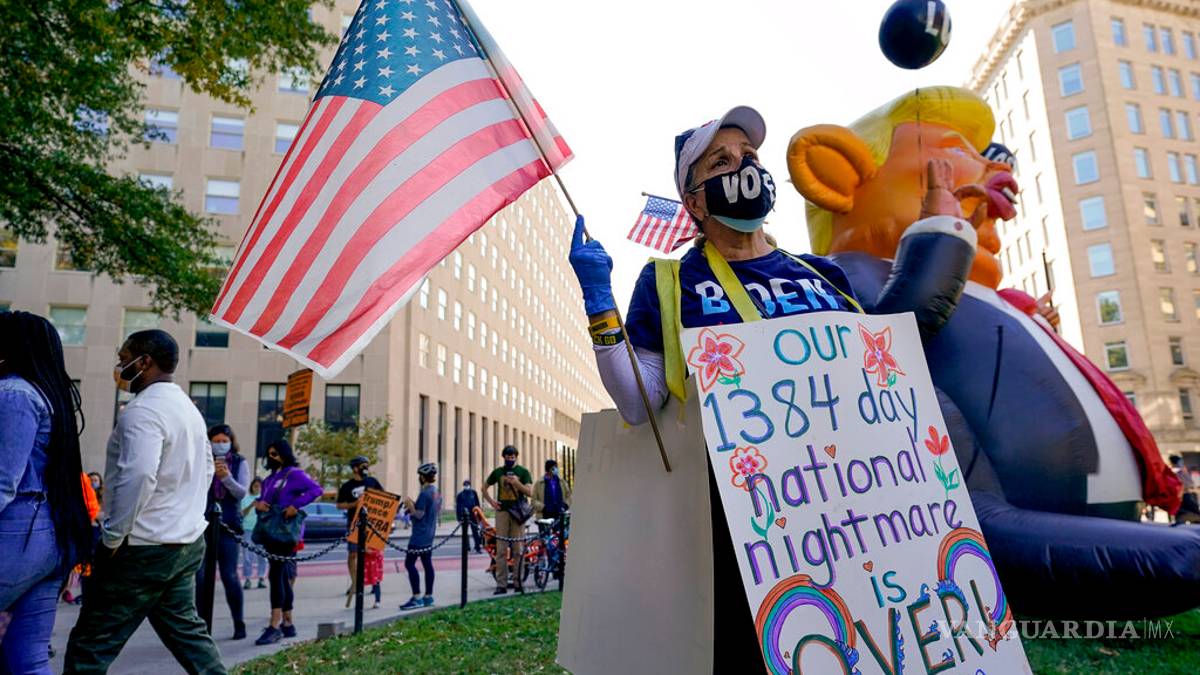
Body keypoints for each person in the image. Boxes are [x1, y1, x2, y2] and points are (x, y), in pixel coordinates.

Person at [568, 107, 979, 664]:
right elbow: (639, 405)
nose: (743, 168)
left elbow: (878, 375)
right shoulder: (670, 280)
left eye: (750, 157)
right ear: (694, 202)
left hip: (858, 509)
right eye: (721, 162)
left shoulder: (824, 273)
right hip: (748, 526)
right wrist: (600, 302)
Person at [65, 329, 226, 674]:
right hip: (185, 541)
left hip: (141, 547)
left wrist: (112, 537)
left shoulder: (142, 412)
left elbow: (138, 477)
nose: (119, 367)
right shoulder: (188, 409)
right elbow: (208, 469)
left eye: (124, 359)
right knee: (188, 634)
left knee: (91, 645)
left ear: (144, 362)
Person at [0, 311, 93, 674]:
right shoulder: (49, 396)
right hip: (50, 537)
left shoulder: (14, 393)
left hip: (16, 534)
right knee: (29, 659)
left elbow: (3, 481)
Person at [252, 439, 322, 645]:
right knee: (281, 576)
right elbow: (265, 501)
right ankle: (288, 622)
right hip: (270, 531)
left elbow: (316, 490)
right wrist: (259, 505)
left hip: (285, 531)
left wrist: (295, 505)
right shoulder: (269, 479)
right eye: (269, 454)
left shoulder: (294, 474)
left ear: (284, 453)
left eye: (275, 453)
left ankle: (275, 625)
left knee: (276, 575)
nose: (272, 457)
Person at [195, 424, 251, 640]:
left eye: (223, 441)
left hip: (228, 525)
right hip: (204, 524)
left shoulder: (239, 462)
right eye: (215, 441)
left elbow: (241, 493)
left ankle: (239, 622)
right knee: (200, 577)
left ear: (230, 442)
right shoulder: (202, 460)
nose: (220, 445)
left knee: (229, 575)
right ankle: (202, 624)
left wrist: (226, 477)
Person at [483, 445, 533, 595]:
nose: (510, 459)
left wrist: (517, 483)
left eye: (512, 457)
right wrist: (492, 502)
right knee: (501, 549)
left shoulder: (523, 472)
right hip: (502, 512)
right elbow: (484, 488)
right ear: (503, 457)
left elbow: (530, 492)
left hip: (518, 513)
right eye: (507, 456)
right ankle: (501, 584)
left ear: (516, 457)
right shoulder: (498, 472)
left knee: (518, 549)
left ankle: (518, 583)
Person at [335, 455, 382, 606]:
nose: (366, 468)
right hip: (354, 523)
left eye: (367, 465)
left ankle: (375, 584)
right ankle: (355, 582)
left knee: (372, 554)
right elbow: (339, 505)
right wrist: (354, 504)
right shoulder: (347, 486)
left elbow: (383, 497)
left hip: (371, 524)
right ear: (355, 468)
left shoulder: (372, 482)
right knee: (353, 554)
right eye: (363, 465)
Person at [400, 463, 441, 610]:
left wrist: (410, 505)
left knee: (409, 564)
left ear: (423, 477)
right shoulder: (436, 492)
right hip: (430, 534)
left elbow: (419, 515)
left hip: (419, 536)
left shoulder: (424, 493)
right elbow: (430, 510)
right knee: (427, 564)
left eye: (420, 476)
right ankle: (428, 596)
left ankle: (416, 598)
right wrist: (414, 505)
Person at [240, 477, 267, 590]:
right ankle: (247, 579)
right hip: (248, 529)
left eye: (259, 486)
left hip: (261, 530)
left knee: (263, 556)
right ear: (251, 486)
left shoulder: (264, 498)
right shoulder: (245, 498)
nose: (257, 488)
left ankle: (261, 578)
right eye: (255, 486)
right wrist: (251, 505)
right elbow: (242, 514)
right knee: (247, 556)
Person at [455, 479, 483, 553]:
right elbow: (458, 507)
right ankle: (466, 547)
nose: (466, 486)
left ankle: (477, 547)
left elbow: (477, 504)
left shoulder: (473, 493)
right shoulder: (460, 495)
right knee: (465, 533)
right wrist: (458, 518)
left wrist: (479, 515)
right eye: (465, 485)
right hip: (464, 516)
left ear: (470, 485)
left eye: (467, 485)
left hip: (473, 515)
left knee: (475, 532)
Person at [1172, 455, 1200, 525]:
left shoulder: (1181, 471)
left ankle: (1183, 520)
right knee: (1190, 509)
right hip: (1185, 494)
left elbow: (1189, 483)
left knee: (1191, 509)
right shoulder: (1179, 471)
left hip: (1187, 494)